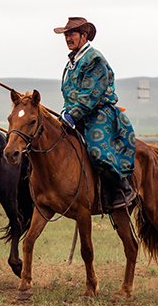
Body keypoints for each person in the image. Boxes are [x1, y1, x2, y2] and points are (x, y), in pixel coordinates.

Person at [54, 17, 136, 211]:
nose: (68, 38)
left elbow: (91, 94)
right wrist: (66, 113)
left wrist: (72, 114)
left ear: (84, 35)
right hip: (75, 114)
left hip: (99, 114)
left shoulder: (94, 59)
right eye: (66, 34)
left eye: (71, 33)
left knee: (97, 151)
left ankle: (121, 187)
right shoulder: (72, 62)